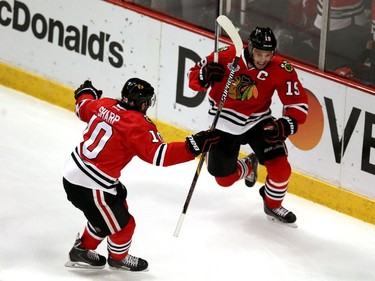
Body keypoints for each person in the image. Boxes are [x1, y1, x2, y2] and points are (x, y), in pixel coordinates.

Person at [63, 78, 219, 271]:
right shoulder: (137, 125)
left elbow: (83, 106)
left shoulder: (103, 103)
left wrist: (86, 92)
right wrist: (193, 146)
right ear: (144, 103)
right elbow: (158, 155)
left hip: (78, 173)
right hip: (91, 185)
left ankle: (86, 249)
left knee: (116, 204)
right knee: (125, 225)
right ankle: (115, 258)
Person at [188, 26, 309, 225]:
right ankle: (248, 166)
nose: (262, 59)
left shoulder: (281, 68)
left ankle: (272, 204)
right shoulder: (226, 57)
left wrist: (288, 123)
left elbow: (297, 102)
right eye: (259, 53)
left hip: (258, 121)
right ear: (250, 48)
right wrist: (204, 75)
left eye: (267, 54)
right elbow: (193, 78)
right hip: (224, 122)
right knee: (223, 179)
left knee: (281, 168)